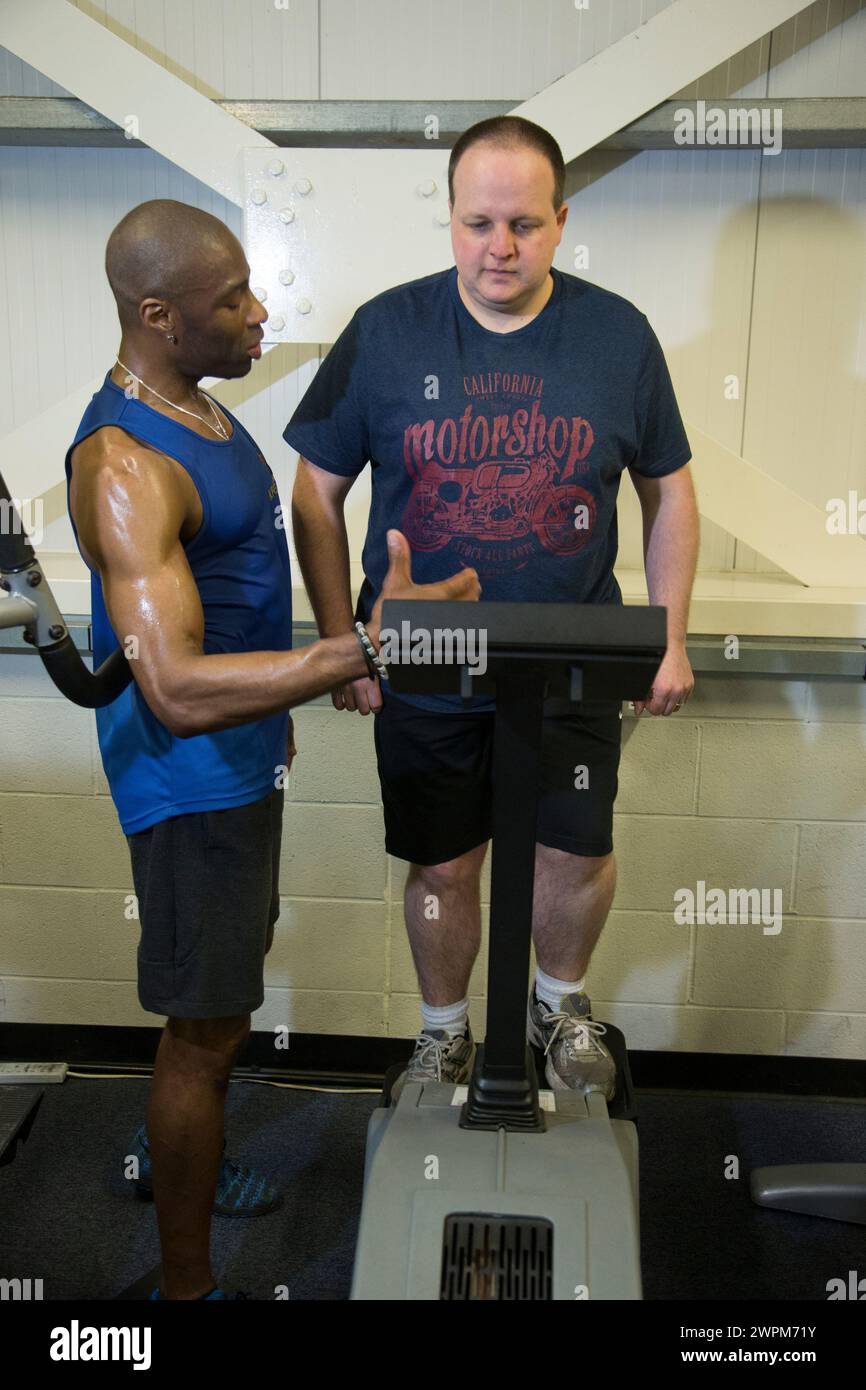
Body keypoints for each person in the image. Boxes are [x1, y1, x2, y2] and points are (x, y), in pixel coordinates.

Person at [64, 199, 479, 1300]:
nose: (261, 316)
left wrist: (306, 679)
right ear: (157, 315)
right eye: (231, 301)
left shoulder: (194, 408)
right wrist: (353, 654)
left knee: (223, 1004)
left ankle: (185, 1158)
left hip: (241, 757)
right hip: (188, 777)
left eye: (252, 288)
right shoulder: (125, 463)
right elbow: (176, 685)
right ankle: (186, 1286)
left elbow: (232, 602)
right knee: (202, 1030)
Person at [286, 115, 698, 1100]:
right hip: (427, 655)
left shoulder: (616, 334)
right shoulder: (386, 330)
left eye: (522, 223)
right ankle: (443, 1035)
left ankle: (557, 1007)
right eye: (477, 223)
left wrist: (671, 635)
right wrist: (344, 639)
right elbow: (312, 488)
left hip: (571, 654)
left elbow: (670, 488)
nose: (498, 247)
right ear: (450, 218)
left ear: (560, 220)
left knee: (573, 844)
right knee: (443, 863)